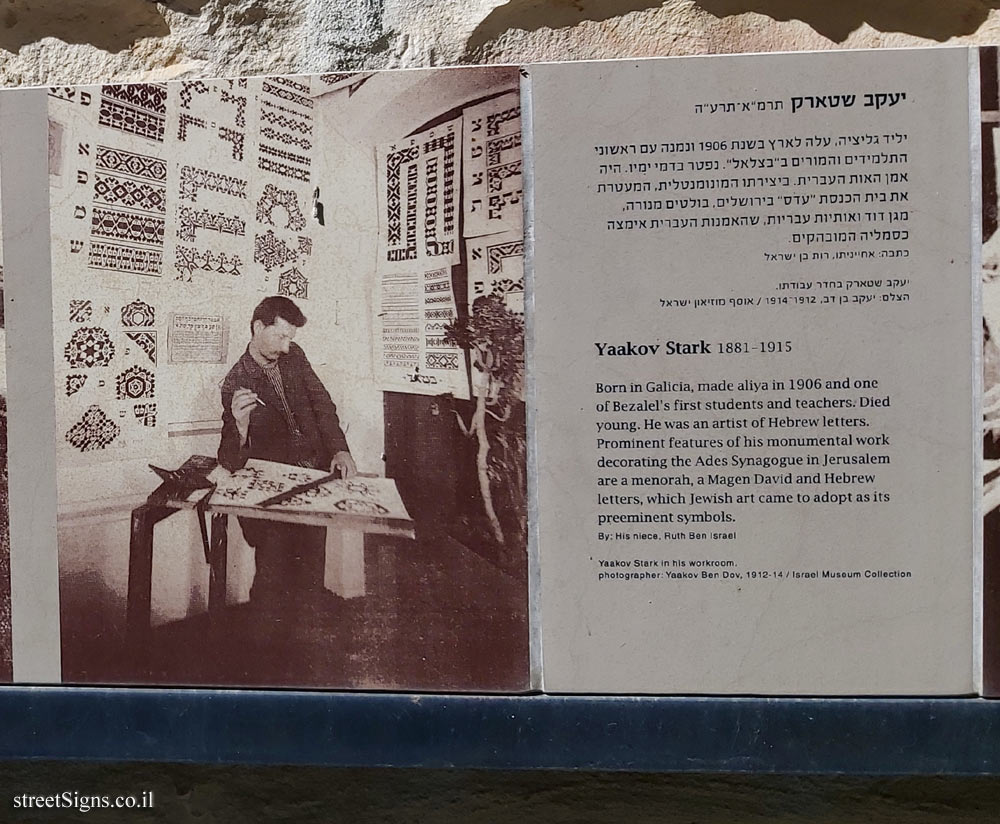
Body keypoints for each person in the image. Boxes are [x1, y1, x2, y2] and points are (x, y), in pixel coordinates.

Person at [218, 296, 357, 615]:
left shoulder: (295, 356)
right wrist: (239, 427)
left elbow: (322, 403)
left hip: (314, 481)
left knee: (310, 577)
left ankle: (304, 652)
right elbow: (230, 461)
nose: (285, 346)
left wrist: (339, 448)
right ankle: (266, 658)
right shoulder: (235, 382)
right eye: (280, 336)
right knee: (272, 582)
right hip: (274, 499)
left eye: (290, 338)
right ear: (257, 327)